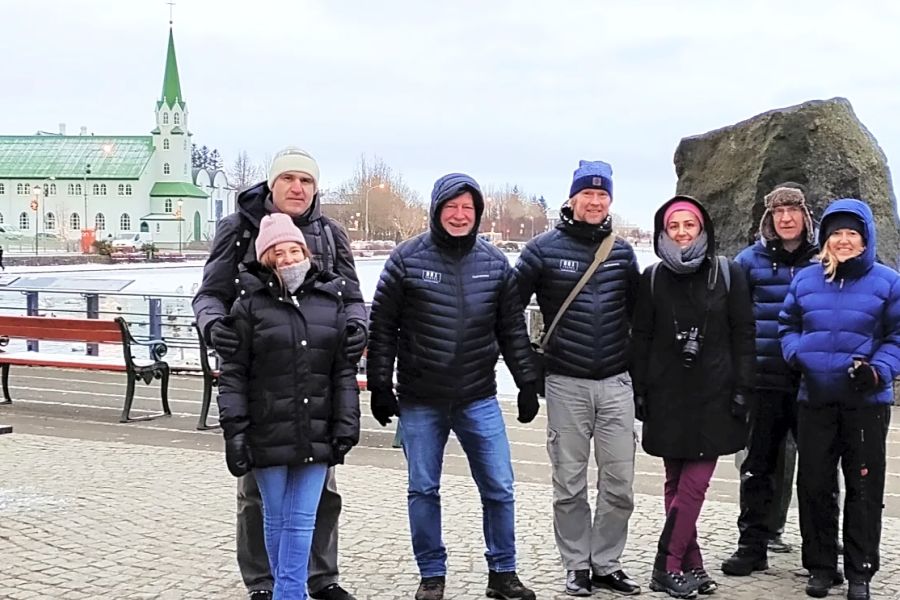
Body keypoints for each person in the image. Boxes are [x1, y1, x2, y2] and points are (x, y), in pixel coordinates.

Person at [193, 147, 366, 600]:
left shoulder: (330, 234)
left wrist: (357, 328)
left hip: (314, 379)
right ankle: (264, 583)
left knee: (322, 490)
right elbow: (209, 294)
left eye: (306, 181)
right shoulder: (238, 230)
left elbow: (351, 297)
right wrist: (215, 328)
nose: (297, 188)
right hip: (261, 376)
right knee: (256, 494)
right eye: (288, 179)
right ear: (272, 185)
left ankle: (320, 577)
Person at [367, 173, 540, 600]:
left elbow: (512, 330)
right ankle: (432, 574)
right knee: (423, 488)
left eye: (468, 208)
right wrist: (379, 385)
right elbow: (383, 328)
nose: (460, 215)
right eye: (452, 207)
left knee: (499, 486)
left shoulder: (496, 264)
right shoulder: (405, 260)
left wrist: (526, 383)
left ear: (477, 213)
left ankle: (503, 572)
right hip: (421, 398)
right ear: (437, 209)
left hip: (477, 396)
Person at [515, 160, 642, 597]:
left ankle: (606, 562)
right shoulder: (541, 250)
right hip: (565, 382)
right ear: (571, 198)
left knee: (620, 483)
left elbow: (639, 319)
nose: (594, 201)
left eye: (602, 194)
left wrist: (640, 382)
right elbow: (507, 311)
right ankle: (577, 564)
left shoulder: (622, 253)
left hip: (616, 380)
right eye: (586, 194)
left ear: (610, 200)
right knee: (569, 483)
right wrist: (527, 370)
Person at [631, 195, 755, 598]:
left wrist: (743, 389)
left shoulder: (728, 274)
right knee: (675, 481)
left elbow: (744, 336)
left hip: (715, 395)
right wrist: (641, 390)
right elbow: (642, 339)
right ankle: (692, 562)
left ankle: (665, 564)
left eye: (690, 225)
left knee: (695, 484)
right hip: (667, 396)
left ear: (703, 229)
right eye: (674, 226)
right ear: (663, 231)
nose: (682, 233)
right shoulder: (651, 278)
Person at [778, 198, 900, 600]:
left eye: (852, 233)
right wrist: (797, 354)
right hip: (814, 397)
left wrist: (877, 370)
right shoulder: (806, 281)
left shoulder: (888, 281)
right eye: (836, 233)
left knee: (864, 489)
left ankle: (860, 571)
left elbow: (897, 337)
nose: (844, 240)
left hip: (865, 402)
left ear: (865, 240)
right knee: (814, 484)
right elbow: (788, 325)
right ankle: (820, 566)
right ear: (824, 238)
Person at [722, 185, 819, 575]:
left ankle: (820, 554)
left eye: (792, 210)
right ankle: (752, 545)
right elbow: (734, 319)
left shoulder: (822, 259)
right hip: (764, 379)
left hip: (813, 382)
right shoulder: (749, 261)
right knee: (758, 468)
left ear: (805, 215)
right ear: (769, 218)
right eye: (778, 212)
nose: (785, 218)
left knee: (817, 472)